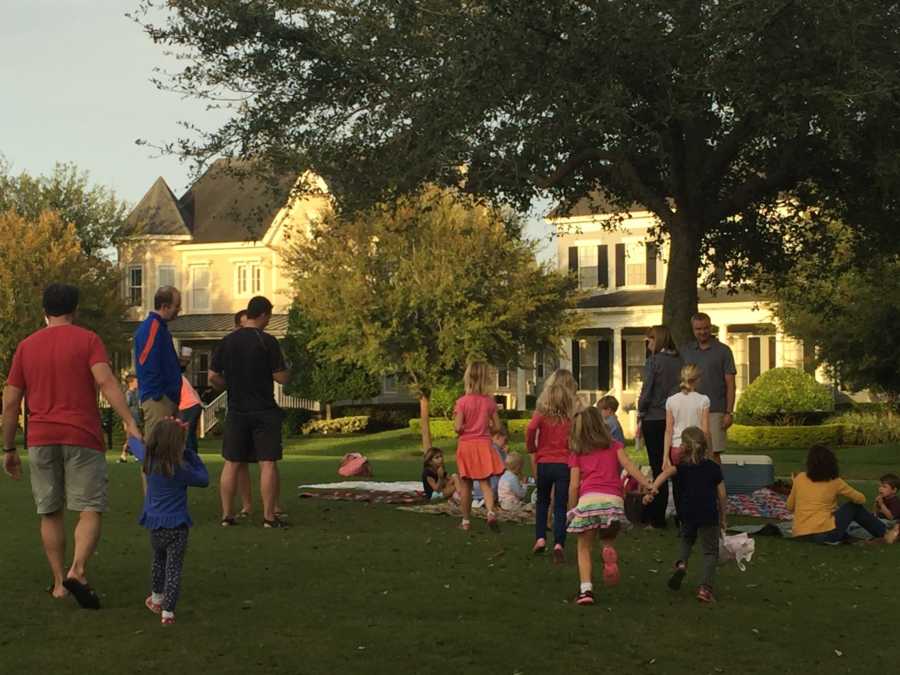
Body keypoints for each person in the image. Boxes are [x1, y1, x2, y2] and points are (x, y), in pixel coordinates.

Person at [1, 283, 141, 607]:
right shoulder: (88, 340)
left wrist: (9, 448)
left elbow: (10, 403)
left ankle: (58, 583)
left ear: (44, 311)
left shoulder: (26, 346)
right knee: (89, 507)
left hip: (41, 437)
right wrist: (129, 421)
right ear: (74, 310)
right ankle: (77, 569)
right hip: (83, 436)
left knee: (50, 512)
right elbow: (106, 381)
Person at [211, 296, 290, 528]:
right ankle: (268, 516)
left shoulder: (227, 342)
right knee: (268, 462)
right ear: (264, 315)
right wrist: (289, 371)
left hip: (236, 409)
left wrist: (229, 384)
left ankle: (227, 515)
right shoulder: (267, 341)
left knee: (232, 462)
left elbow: (213, 377)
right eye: (269, 317)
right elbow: (280, 376)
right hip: (264, 409)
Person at [567, 407, 653, 606]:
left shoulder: (577, 453)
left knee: (584, 547)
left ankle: (586, 590)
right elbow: (630, 467)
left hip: (589, 500)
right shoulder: (614, 446)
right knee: (607, 537)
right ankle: (608, 552)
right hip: (613, 502)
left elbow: (573, 486)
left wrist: (572, 509)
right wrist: (647, 484)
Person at [128, 417, 209, 625]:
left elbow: (134, 444)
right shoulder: (180, 469)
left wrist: (131, 429)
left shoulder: (148, 460)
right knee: (173, 568)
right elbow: (204, 479)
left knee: (158, 561)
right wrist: (190, 454)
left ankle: (156, 598)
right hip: (178, 526)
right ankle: (168, 613)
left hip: (155, 524)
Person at [644, 427, 727, 603]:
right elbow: (722, 495)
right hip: (708, 514)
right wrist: (723, 518)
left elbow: (664, 474)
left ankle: (681, 563)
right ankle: (705, 589)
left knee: (687, 540)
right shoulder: (713, 468)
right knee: (710, 552)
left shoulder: (680, 468)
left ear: (683, 447)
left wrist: (652, 491)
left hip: (687, 512)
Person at [787, 445, 899, 545]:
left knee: (836, 518)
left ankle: (860, 539)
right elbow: (861, 499)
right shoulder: (835, 481)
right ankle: (885, 533)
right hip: (823, 535)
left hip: (800, 535)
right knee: (853, 506)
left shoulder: (799, 478)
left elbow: (790, 506)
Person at [526, 369, 580, 562]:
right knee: (559, 505)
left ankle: (540, 537)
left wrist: (532, 447)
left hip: (544, 463)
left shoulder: (541, 414)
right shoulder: (569, 418)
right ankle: (559, 542)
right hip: (563, 464)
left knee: (542, 502)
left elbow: (531, 428)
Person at [636, 325, 683, 528]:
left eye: (650, 339)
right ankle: (682, 515)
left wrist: (641, 410)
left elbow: (648, 389)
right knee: (677, 467)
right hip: (676, 418)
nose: (648, 343)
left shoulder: (654, 362)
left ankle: (657, 517)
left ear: (658, 340)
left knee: (659, 468)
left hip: (655, 417)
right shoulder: (680, 361)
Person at [453, 361, 504, 532]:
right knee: (485, 483)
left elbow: (457, 427)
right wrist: (487, 428)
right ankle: (490, 512)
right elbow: (497, 427)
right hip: (484, 444)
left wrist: (465, 428)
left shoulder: (462, 402)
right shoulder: (489, 402)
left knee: (466, 485)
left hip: (467, 445)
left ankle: (466, 521)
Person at [681, 313, 736, 458]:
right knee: (691, 453)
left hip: (715, 410)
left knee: (714, 454)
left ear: (710, 327)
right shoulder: (686, 351)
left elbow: (730, 383)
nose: (702, 332)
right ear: (693, 330)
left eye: (705, 328)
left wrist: (729, 412)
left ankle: (717, 481)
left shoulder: (723, 351)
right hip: (691, 409)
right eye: (698, 329)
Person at [134, 286, 183, 440]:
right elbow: (146, 361)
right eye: (177, 306)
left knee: (167, 451)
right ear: (165, 306)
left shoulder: (160, 329)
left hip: (167, 396)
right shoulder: (152, 328)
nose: (179, 310)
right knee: (157, 449)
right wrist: (157, 395)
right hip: (159, 399)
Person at [230, 309, 255, 518]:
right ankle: (243, 506)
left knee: (268, 460)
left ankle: (273, 507)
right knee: (238, 462)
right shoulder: (230, 347)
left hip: (261, 409)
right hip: (238, 409)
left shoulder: (262, 344)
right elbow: (215, 376)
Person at [472, 421, 508, 505]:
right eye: (505, 441)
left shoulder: (484, 447)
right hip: (490, 487)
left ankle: (478, 497)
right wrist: (506, 454)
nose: (505, 444)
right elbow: (503, 467)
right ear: (498, 437)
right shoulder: (495, 449)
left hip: (478, 487)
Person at [119, 373, 142, 463]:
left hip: (136, 419)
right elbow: (125, 408)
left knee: (132, 438)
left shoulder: (136, 393)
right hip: (130, 420)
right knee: (132, 438)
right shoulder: (128, 394)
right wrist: (125, 421)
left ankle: (123, 456)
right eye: (136, 381)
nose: (138, 383)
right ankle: (135, 455)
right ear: (131, 383)